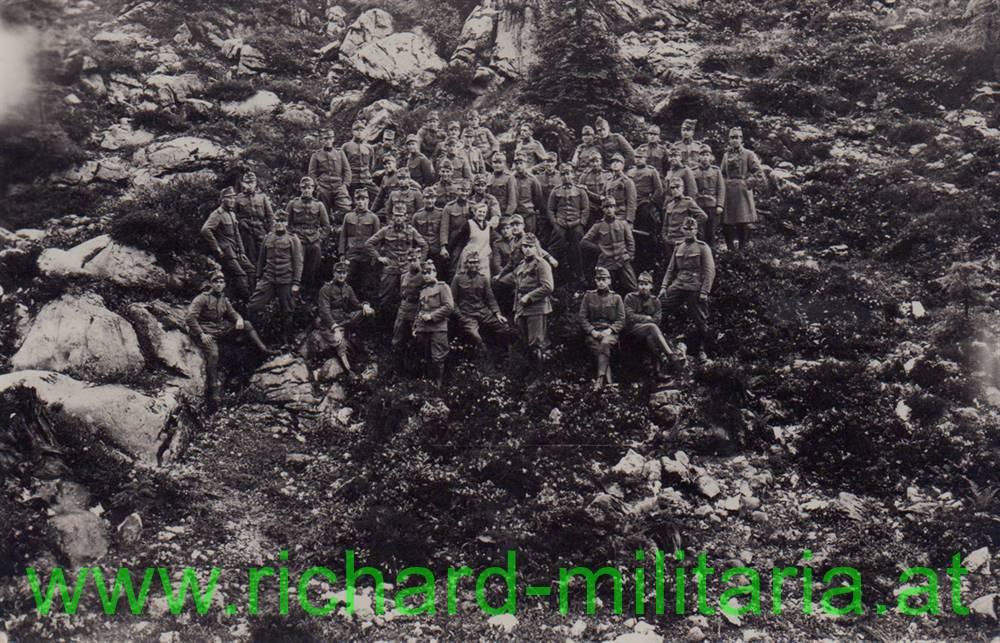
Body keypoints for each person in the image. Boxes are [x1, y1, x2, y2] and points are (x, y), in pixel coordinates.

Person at [187, 272, 275, 406]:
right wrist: (201, 334)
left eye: (221, 282)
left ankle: (263, 349)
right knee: (213, 355)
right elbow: (190, 318)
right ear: (210, 284)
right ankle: (214, 392)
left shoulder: (224, 299)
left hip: (220, 329)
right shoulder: (202, 298)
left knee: (247, 324)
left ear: (224, 284)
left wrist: (239, 319)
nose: (218, 285)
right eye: (215, 282)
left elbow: (233, 313)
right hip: (206, 332)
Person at [302, 261, 374, 376]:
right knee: (340, 343)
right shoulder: (325, 289)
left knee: (368, 312)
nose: (341, 275)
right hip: (328, 323)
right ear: (334, 273)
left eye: (344, 273)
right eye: (339, 273)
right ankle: (349, 372)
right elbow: (324, 311)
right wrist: (335, 328)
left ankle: (364, 342)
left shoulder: (347, 288)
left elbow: (355, 304)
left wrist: (365, 305)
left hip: (344, 319)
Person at [659, 217, 715, 364]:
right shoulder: (678, 247)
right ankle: (664, 344)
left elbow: (709, 271)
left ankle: (703, 350)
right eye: (686, 228)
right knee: (659, 307)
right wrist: (664, 287)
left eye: (691, 229)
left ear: (696, 230)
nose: (688, 231)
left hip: (695, 287)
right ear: (682, 229)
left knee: (700, 319)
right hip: (678, 284)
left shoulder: (703, 247)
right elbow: (671, 269)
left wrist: (705, 291)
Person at [248, 210, 302, 346]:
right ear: (273, 222)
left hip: (286, 280)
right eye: (277, 220)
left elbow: (298, 262)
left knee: (287, 311)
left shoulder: (292, 239)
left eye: (282, 221)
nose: (279, 224)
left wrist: (296, 282)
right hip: (269, 279)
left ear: (286, 223)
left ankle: (286, 341)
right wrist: (258, 277)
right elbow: (261, 260)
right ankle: (253, 338)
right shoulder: (268, 238)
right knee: (253, 306)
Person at [497, 233, 553, 361]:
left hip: (536, 308)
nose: (527, 249)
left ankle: (539, 377)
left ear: (536, 247)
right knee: (525, 342)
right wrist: (516, 309)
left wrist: (529, 296)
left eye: (530, 246)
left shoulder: (541, 264)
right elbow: (518, 288)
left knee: (536, 344)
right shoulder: (522, 265)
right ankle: (528, 374)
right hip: (522, 308)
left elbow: (548, 287)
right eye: (524, 246)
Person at [366, 202, 428, 310]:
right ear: (392, 216)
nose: (398, 218)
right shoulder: (386, 230)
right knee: (384, 298)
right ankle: (382, 322)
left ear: (405, 217)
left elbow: (424, 245)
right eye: (396, 215)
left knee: (408, 296)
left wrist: (419, 263)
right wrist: (379, 257)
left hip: (406, 269)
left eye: (401, 215)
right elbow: (369, 243)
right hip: (391, 268)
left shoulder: (411, 231)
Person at [452, 251, 509, 363]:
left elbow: (490, 298)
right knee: (475, 336)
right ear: (466, 264)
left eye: (476, 262)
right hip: (467, 314)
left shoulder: (483, 278)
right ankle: (485, 360)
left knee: (504, 327)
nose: (474, 265)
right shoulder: (458, 278)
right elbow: (452, 301)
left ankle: (503, 356)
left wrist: (498, 314)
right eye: (471, 262)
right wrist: (460, 316)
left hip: (483, 312)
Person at [201, 186, 255, 300]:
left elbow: (237, 234)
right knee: (241, 274)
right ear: (222, 200)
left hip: (236, 251)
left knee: (251, 270)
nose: (232, 201)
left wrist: (242, 251)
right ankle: (247, 302)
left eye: (233, 198)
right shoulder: (217, 214)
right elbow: (205, 230)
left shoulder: (232, 214)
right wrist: (217, 248)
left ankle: (250, 298)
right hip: (227, 253)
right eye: (229, 198)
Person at [580, 266, 626, 390]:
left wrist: (610, 330)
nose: (601, 282)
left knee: (605, 344)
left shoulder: (616, 298)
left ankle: (600, 380)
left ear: (609, 281)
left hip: (610, 333)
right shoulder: (588, 296)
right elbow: (582, 318)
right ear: (595, 281)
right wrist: (592, 331)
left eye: (604, 279)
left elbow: (621, 320)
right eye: (598, 279)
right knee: (598, 348)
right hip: (594, 333)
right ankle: (609, 384)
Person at [624, 271, 677, 377]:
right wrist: (647, 318)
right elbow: (629, 316)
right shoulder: (630, 297)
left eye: (646, 284)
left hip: (649, 332)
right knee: (652, 327)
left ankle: (657, 372)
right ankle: (670, 355)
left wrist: (642, 319)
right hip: (632, 331)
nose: (643, 287)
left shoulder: (655, 301)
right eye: (641, 284)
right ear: (637, 285)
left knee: (650, 338)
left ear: (651, 286)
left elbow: (658, 319)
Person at [720, 127, 765, 252]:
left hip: (742, 192)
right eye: (731, 138)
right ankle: (730, 250)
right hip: (728, 192)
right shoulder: (726, 155)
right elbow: (722, 173)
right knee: (727, 223)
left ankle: (742, 250)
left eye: (736, 137)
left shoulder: (749, 154)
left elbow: (759, 173)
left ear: (741, 139)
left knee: (743, 221)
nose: (734, 140)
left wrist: (747, 183)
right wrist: (724, 183)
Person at [581, 195, 637, 293]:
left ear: (615, 208)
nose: (609, 210)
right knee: (604, 289)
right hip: (606, 262)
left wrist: (629, 256)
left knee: (633, 287)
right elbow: (584, 242)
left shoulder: (623, 224)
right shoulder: (598, 225)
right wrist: (598, 249)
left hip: (622, 260)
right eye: (606, 207)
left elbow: (630, 242)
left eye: (611, 207)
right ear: (602, 209)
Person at [413, 259, 455, 388]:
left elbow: (449, 307)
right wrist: (415, 326)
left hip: (438, 327)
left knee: (438, 357)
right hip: (423, 328)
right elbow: (419, 309)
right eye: (424, 273)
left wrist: (432, 316)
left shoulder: (443, 287)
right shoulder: (423, 290)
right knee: (424, 356)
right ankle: (427, 383)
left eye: (428, 272)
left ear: (435, 272)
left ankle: (439, 384)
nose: (426, 275)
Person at [547, 162, 590, 285]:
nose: (566, 176)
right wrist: (555, 223)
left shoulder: (580, 191)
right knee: (555, 246)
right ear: (560, 176)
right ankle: (553, 276)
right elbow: (550, 209)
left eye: (569, 173)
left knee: (578, 246)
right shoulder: (555, 191)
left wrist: (581, 223)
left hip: (576, 224)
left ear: (573, 174)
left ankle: (580, 275)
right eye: (563, 174)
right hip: (560, 223)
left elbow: (585, 209)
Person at [286, 176, 331, 287]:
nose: (306, 190)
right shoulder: (293, 204)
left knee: (314, 264)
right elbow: (286, 223)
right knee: (297, 264)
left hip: (314, 238)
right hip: (298, 238)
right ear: (300, 189)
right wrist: (292, 237)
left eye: (309, 187)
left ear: (313, 189)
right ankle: (296, 289)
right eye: (304, 188)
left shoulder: (319, 205)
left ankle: (309, 290)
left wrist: (319, 237)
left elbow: (326, 226)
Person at [338, 189, 381, 297]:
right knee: (346, 282)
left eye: (363, 199)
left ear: (368, 200)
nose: (360, 202)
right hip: (351, 254)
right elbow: (343, 235)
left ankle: (365, 307)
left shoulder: (373, 218)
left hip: (367, 256)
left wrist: (375, 256)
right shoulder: (348, 216)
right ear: (354, 200)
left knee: (366, 284)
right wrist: (342, 253)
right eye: (358, 199)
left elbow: (377, 239)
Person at [628, 148, 663, 271]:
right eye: (636, 157)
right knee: (633, 232)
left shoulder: (651, 171)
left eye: (641, 157)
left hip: (645, 204)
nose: (638, 159)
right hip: (632, 205)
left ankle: (651, 261)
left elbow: (659, 189)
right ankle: (637, 260)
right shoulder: (630, 172)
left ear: (645, 159)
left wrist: (650, 201)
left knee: (648, 233)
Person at [660, 176, 707, 269]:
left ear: (683, 188)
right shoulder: (669, 205)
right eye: (672, 188)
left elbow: (703, 216)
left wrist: (689, 226)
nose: (675, 190)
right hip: (670, 241)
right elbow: (665, 225)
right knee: (671, 267)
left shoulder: (688, 202)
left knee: (685, 267)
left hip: (683, 240)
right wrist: (665, 237)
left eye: (677, 187)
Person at [308, 129, 352, 224]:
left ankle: (342, 229)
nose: (328, 141)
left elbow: (347, 171)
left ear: (333, 139)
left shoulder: (340, 153)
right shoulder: (316, 155)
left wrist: (345, 185)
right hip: (324, 187)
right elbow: (312, 173)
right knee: (323, 214)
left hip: (339, 187)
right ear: (321, 140)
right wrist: (318, 186)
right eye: (326, 139)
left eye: (330, 138)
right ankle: (327, 233)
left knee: (347, 208)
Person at [391, 248, 428, 363]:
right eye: (410, 260)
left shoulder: (424, 275)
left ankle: (418, 363)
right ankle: (396, 363)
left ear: (420, 259)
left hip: (417, 308)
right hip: (404, 307)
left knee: (418, 337)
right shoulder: (403, 276)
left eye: (415, 259)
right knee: (397, 335)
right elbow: (401, 293)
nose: (412, 262)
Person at [233, 170, 274, 268]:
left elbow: (270, 216)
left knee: (263, 255)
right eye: (247, 183)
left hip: (260, 230)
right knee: (250, 258)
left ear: (255, 183)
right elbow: (234, 216)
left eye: (251, 182)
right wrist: (241, 223)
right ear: (243, 184)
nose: (249, 185)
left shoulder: (262, 197)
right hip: (247, 231)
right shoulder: (238, 198)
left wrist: (270, 231)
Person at [452, 201, 499, 279]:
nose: (482, 214)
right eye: (480, 211)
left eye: (484, 212)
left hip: (483, 258)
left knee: (483, 280)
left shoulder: (488, 226)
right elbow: (460, 241)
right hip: (469, 258)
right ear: (474, 212)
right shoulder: (468, 224)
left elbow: (492, 241)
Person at [691, 144, 726, 248]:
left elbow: (721, 189)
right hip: (698, 207)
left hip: (712, 207)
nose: (705, 157)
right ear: (698, 157)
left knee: (711, 234)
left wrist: (720, 205)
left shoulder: (716, 171)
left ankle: (712, 261)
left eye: (707, 155)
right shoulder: (693, 171)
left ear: (711, 157)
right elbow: (691, 190)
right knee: (700, 234)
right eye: (702, 155)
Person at [412, 185, 447, 276]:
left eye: (432, 198)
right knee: (421, 274)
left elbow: (444, 231)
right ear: (423, 199)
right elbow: (413, 235)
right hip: (423, 250)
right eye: (427, 198)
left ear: (435, 199)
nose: (429, 201)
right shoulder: (417, 216)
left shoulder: (441, 213)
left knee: (439, 274)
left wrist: (443, 247)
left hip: (437, 249)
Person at [439, 181, 474, 272]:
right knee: (454, 264)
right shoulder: (449, 207)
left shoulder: (473, 206)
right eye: (462, 190)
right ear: (457, 191)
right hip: (455, 241)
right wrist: (443, 246)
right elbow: (444, 227)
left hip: (470, 240)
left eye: (467, 191)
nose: (464, 193)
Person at [511, 155, 545, 235]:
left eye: (521, 163)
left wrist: (530, 208)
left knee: (529, 236)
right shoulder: (511, 178)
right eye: (517, 163)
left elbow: (538, 197)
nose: (519, 166)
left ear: (526, 164)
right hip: (515, 213)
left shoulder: (532, 179)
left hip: (528, 214)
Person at [342, 120, 375, 197]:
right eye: (357, 130)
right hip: (352, 180)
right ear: (352, 132)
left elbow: (371, 165)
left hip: (366, 180)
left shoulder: (369, 147)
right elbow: (342, 166)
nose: (359, 132)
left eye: (361, 130)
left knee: (378, 196)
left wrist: (368, 176)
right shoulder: (346, 146)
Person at [602, 153, 637, 223]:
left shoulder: (627, 181)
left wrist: (629, 220)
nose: (615, 164)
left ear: (623, 165)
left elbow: (631, 202)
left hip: (621, 215)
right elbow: (602, 197)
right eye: (613, 162)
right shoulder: (608, 181)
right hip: (608, 215)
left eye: (618, 162)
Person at [579, 152, 608, 222]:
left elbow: (609, 194)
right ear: (589, 163)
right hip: (590, 209)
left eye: (597, 161)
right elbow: (580, 193)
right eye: (592, 162)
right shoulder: (584, 176)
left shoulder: (607, 175)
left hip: (604, 207)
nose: (595, 164)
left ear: (600, 161)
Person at [488, 151, 518, 218]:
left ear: (504, 164)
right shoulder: (489, 177)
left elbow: (512, 200)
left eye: (500, 163)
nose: (497, 165)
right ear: (491, 163)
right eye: (495, 162)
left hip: (504, 213)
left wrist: (507, 214)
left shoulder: (509, 178)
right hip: (491, 213)